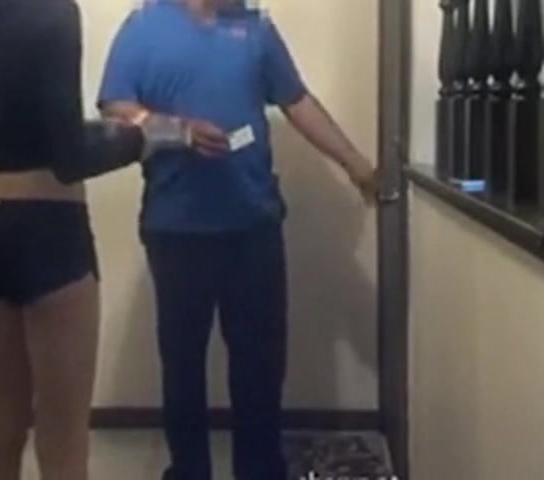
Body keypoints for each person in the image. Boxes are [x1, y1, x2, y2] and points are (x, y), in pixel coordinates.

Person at [0, 0, 189, 478]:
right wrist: (144, 138)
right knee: (63, 437)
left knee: (0, 428)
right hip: (44, 224)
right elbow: (70, 157)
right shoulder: (52, 11)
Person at [98, 1, 377, 479]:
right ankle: (189, 470)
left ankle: (260, 468)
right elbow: (115, 108)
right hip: (176, 231)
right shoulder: (143, 26)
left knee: (260, 366)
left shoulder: (256, 28)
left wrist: (357, 165)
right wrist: (178, 130)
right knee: (182, 365)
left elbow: (297, 102)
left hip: (254, 228)